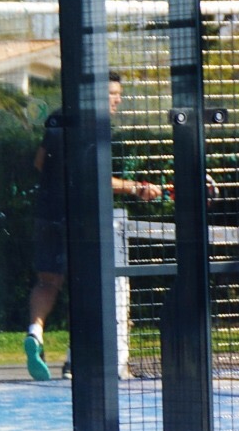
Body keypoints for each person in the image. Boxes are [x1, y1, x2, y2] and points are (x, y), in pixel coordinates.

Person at [24, 72, 167, 381]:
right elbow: (95, 176)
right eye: (112, 93)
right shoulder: (96, 127)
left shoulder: (58, 118)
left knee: (47, 281)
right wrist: (136, 188)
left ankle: (35, 332)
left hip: (47, 213)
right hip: (79, 218)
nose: (117, 99)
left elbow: (39, 162)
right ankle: (74, 360)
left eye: (118, 93)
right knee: (85, 286)